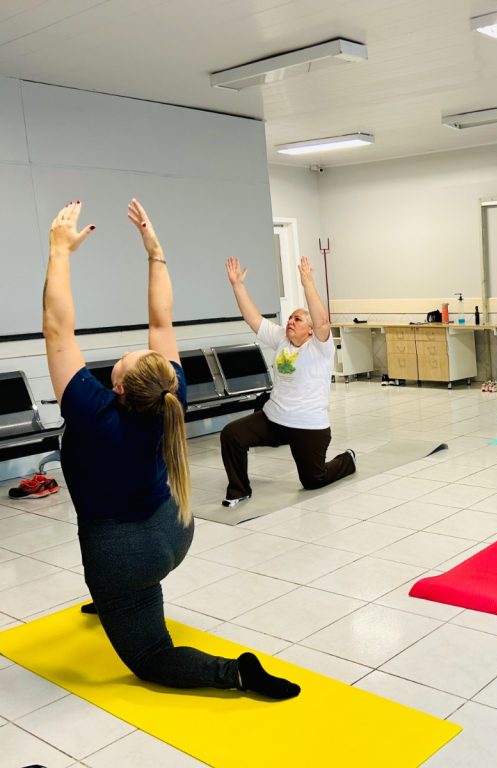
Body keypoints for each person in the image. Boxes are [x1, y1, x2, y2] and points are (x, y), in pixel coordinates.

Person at [44, 199, 299, 698]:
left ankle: (235, 673)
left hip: (122, 555)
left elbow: (57, 327)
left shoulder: (93, 413)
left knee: (150, 656)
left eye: (125, 356)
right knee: (129, 587)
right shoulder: (171, 394)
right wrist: (155, 253)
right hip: (174, 530)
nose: (131, 348)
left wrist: (59, 251)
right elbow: (161, 323)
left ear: (118, 387)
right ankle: (116, 598)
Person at [220, 254, 355, 506]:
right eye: (290, 318)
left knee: (313, 480)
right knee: (232, 434)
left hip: (308, 425)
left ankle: (347, 460)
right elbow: (253, 319)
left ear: (310, 329)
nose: (291, 321)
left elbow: (322, 321)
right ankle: (239, 490)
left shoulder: (320, 347)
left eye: (298, 319)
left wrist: (307, 283)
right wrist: (237, 286)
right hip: (275, 419)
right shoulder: (282, 338)